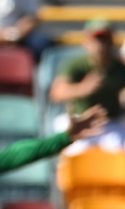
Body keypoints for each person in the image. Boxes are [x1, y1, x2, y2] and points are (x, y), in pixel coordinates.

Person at [50, 19, 125, 155]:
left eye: (105, 40)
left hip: (110, 123)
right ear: (87, 42)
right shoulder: (76, 65)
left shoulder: (119, 68)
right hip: (80, 121)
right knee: (70, 152)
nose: (101, 45)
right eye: (96, 40)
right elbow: (56, 93)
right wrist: (82, 88)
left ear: (112, 41)